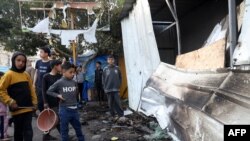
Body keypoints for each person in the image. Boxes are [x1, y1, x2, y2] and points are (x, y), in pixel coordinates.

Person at [0, 52, 37, 141]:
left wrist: (35, 102)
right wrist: (10, 101)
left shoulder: (26, 75)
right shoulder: (8, 75)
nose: (21, 63)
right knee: (18, 131)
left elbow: (31, 89)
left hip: (28, 107)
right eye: (18, 60)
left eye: (23, 61)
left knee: (28, 131)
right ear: (13, 61)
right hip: (17, 109)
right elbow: (1, 90)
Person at [47, 62, 85, 141]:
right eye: (70, 72)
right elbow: (49, 91)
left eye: (73, 72)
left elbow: (76, 92)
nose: (73, 74)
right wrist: (58, 95)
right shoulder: (59, 82)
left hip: (74, 109)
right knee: (64, 131)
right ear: (63, 71)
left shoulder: (74, 82)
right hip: (64, 110)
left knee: (78, 129)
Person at [42, 59, 62, 140]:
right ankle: (46, 136)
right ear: (55, 66)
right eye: (60, 65)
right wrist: (45, 102)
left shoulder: (60, 76)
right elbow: (44, 90)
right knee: (52, 120)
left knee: (57, 119)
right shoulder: (46, 76)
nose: (61, 66)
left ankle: (46, 136)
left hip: (59, 101)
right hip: (50, 102)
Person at [33, 46, 51, 112]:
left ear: (46, 54)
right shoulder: (38, 62)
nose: (39, 53)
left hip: (48, 87)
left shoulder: (51, 63)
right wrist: (34, 83)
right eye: (39, 52)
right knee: (40, 103)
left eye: (41, 52)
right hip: (39, 86)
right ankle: (42, 115)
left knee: (47, 102)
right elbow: (36, 73)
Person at [0, 72, 10, 141]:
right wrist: (8, 102)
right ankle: (3, 136)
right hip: (1, 110)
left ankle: (4, 134)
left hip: (2, 109)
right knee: (4, 122)